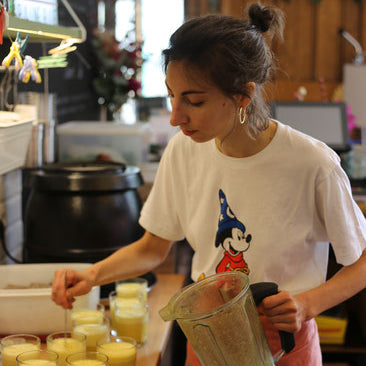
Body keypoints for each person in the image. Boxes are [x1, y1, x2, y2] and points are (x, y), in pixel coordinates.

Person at [52, 3, 366, 366]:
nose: (175, 117)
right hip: (209, 333)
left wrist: (308, 303)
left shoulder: (313, 163)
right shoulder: (184, 151)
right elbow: (153, 248)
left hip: (283, 341)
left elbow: (360, 262)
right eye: (172, 95)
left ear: (243, 96)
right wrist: (92, 275)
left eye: (193, 100)